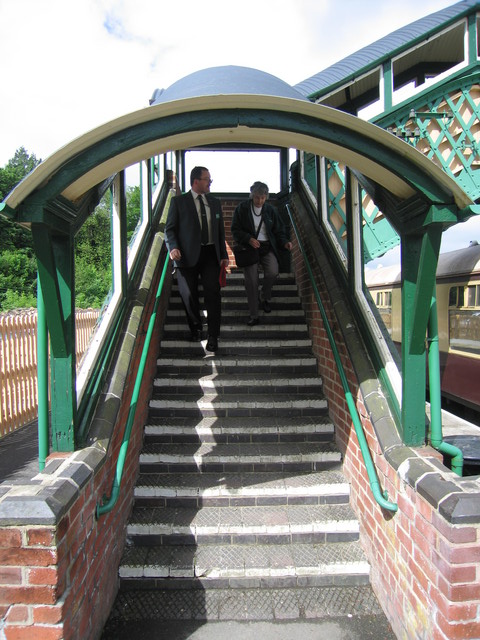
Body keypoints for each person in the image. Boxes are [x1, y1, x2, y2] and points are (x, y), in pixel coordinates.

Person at [165, 166, 229, 352]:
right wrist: (173, 247)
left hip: (210, 254)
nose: (210, 182)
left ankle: (213, 336)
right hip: (185, 255)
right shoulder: (179, 202)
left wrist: (223, 255)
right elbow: (169, 228)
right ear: (196, 181)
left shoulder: (215, 202)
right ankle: (196, 327)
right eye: (207, 179)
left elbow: (219, 231)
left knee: (213, 293)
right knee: (188, 294)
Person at [231, 181, 292, 326]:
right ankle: (254, 315)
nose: (260, 201)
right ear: (252, 195)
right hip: (249, 249)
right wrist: (248, 239)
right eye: (257, 197)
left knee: (272, 272)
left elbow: (279, 230)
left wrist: (284, 242)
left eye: (263, 198)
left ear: (266, 197)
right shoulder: (242, 209)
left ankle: (265, 296)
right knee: (251, 282)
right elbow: (235, 230)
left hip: (267, 247)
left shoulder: (270, 210)